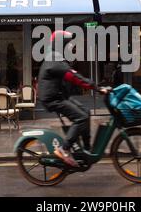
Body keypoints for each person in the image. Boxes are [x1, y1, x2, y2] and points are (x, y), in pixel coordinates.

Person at [38, 30, 107, 167]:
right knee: (80, 117)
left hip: (60, 96)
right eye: (67, 45)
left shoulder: (55, 58)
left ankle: (86, 148)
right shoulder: (54, 61)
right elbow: (74, 78)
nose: (70, 48)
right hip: (53, 99)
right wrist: (97, 88)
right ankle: (64, 148)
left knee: (85, 113)